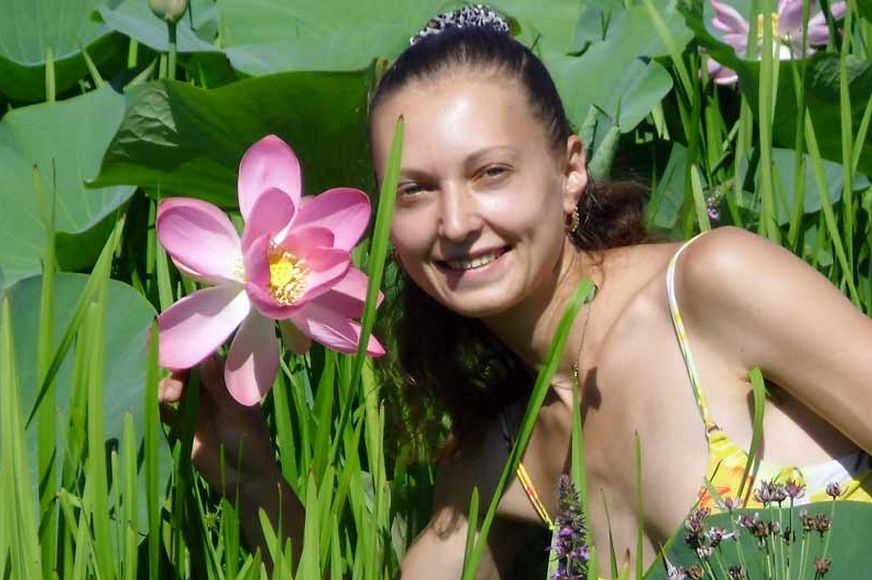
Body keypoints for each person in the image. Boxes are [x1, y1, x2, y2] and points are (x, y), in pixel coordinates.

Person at [159, 5, 872, 577]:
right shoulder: (502, 464)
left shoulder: (713, 286)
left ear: (569, 172)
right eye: (414, 191)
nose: (456, 223)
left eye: (490, 173)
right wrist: (251, 479)